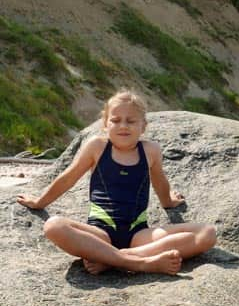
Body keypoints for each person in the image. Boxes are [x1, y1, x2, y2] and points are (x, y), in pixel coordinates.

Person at [16, 89, 217, 275]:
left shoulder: (150, 150)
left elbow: (160, 182)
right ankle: (139, 263)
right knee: (53, 226)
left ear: (143, 126)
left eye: (131, 121)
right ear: (105, 124)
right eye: (116, 120)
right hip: (100, 233)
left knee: (207, 234)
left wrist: (169, 202)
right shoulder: (97, 146)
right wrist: (39, 202)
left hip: (139, 235)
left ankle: (111, 258)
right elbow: (69, 177)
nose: (123, 126)